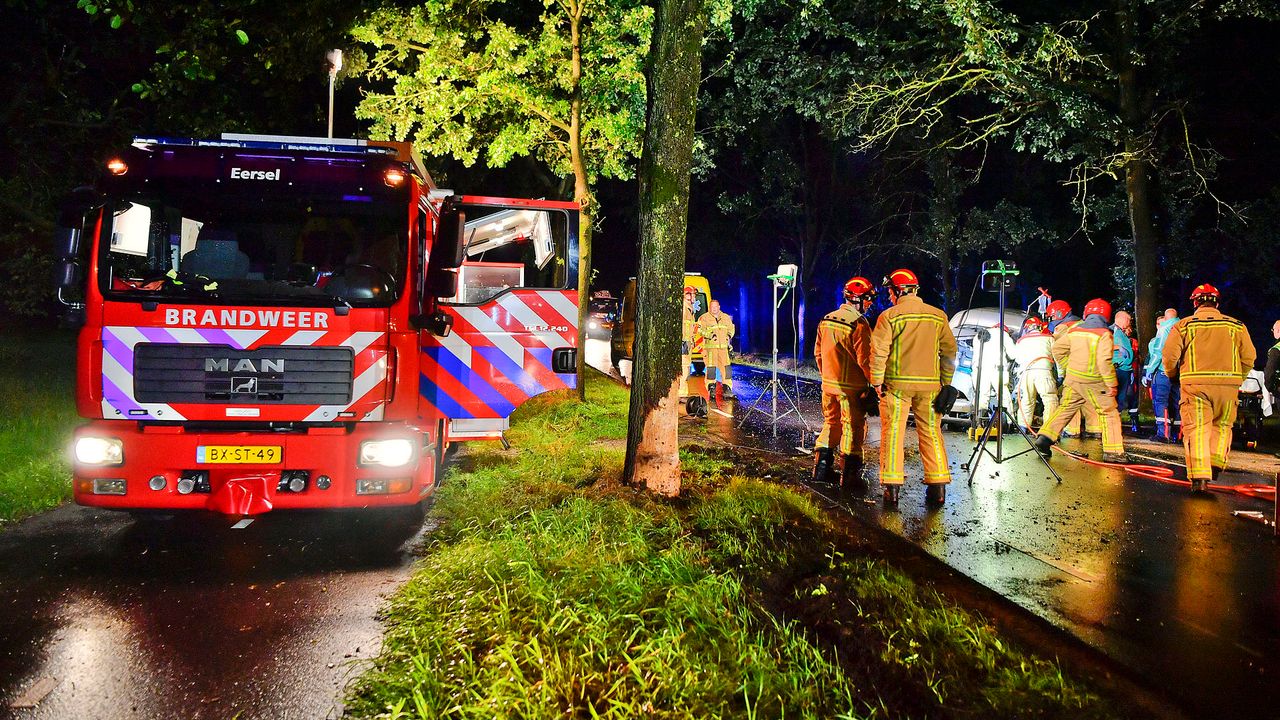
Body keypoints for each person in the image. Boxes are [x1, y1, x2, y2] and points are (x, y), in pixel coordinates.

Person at [870, 268, 958, 506]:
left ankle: (892, 490)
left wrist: (876, 382)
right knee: (931, 433)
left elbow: (879, 351)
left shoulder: (888, 317)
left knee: (893, 434)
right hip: (931, 387)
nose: (889, 296)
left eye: (890, 291)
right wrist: (946, 382)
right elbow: (949, 352)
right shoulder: (938, 316)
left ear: (898, 291)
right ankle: (938, 489)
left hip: (896, 386)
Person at [1162, 284, 1256, 493]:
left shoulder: (1184, 326)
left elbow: (1169, 356)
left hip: (1195, 386)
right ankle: (1214, 464)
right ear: (1217, 303)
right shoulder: (1236, 326)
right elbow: (1249, 357)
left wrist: (1172, 375)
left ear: (1195, 303)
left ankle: (1200, 478)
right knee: (1222, 426)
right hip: (1228, 387)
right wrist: (1237, 378)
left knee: (1197, 429)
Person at [1035, 298, 1126, 463]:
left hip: (1074, 379)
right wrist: (1111, 383)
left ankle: (1045, 437)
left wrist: (1067, 366)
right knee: (1109, 413)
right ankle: (1113, 452)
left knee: (1066, 408)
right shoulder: (1104, 334)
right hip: (1095, 380)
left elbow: (1057, 349)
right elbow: (1104, 361)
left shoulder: (1075, 331)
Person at [812, 277, 876, 490]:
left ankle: (821, 470)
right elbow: (865, 360)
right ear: (859, 299)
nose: (870, 304)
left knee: (831, 423)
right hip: (851, 389)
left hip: (828, 385)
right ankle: (849, 478)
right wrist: (874, 384)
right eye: (868, 299)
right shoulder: (859, 324)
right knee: (853, 428)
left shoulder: (826, 319)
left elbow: (818, 353)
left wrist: (826, 376)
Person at [1143, 309, 1181, 443]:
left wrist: (1149, 371)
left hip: (1163, 371)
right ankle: (1179, 434)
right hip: (1180, 373)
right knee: (1178, 404)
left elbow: (1158, 352)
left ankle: (1163, 433)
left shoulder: (1164, 329)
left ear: (1166, 317)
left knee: (1160, 402)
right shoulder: (1183, 326)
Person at [1013, 316, 1058, 431]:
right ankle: (1048, 430)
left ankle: (1023, 427)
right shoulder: (1049, 338)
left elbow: (1017, 359)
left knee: (1027, 400)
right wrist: (1061, 375)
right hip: (1044, 372)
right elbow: (1057, 358)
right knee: (1050, 399)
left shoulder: (1021, 341)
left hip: (1026, 373)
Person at [697, 299, 736, 406]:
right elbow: (700, 330)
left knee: (726, 368)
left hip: (723, 348)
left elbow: (731, 328)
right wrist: (709, 335)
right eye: (711, 307)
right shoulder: (704, 318)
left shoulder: (725, 317)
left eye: (715, 307)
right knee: (711, 369)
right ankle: (711, 388)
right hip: (710, 348)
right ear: (710, 307)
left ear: (719, 307)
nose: (713, 309)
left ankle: (727, 389)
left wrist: (729, 335)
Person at [677, 287, 707, 416]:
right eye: (692, 294)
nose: (694, 297)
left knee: (686, 367)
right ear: (687, 296)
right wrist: (683, 341)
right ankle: (681, 393)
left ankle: (680, 392)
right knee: (684, 368)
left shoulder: (689, 309)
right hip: (684, 342)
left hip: (687, 342)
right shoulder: (684, 308)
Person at [1111, 310, 1141, 433]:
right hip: (1119, 369)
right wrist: (1118, 348)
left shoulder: (1121, 333)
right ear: (1122, 319)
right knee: (1119, 398)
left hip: (1125, 369)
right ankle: (1113, 425)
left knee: (1122, 398)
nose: (1129, 323)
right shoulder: (1111, 331)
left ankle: (1115, 424)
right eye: (1128, 320)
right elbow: (1105, 345)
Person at [1263, 319, 1280, 397]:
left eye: (1273, 329)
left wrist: (1272, 389)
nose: (1272, 332)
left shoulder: (1276, 349)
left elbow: (1269, 372)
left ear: (1278, 330)